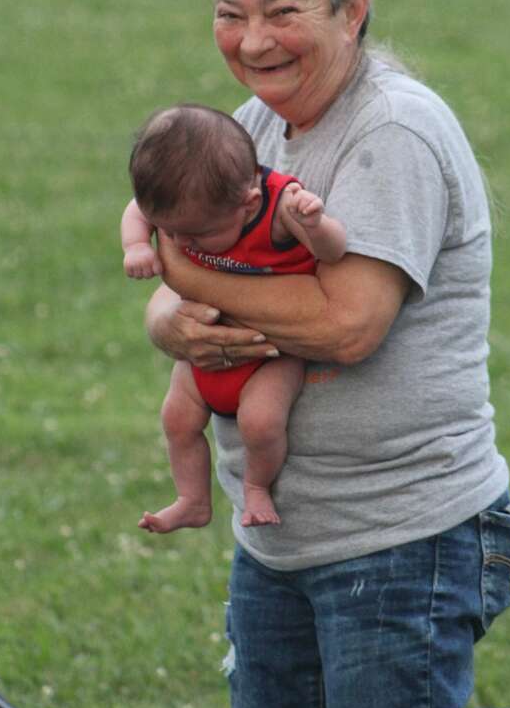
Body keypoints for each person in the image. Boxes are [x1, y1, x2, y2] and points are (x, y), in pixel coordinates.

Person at [143, 0, 510, 708]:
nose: (253, 40)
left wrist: (182, 274)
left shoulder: (391, 130)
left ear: (352, 10)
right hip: (281, 546)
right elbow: (183, 271)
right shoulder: (251, 127)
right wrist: (168, 316)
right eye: (231, 13)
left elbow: (346, 325)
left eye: (283, 11)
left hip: (400, 542)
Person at [122, 103, 347, 531]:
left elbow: (334, 251)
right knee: (177, 419)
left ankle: (256, 487)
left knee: (260, 423)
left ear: (249, 204)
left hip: (270, 352)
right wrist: (136, 245)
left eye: (197, 235)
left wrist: (316, 225)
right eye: (170, 232)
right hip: (207, 352)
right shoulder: (183, 198)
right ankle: (192, 500)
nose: (179, 243)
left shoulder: (281, 207)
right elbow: (137, 210)